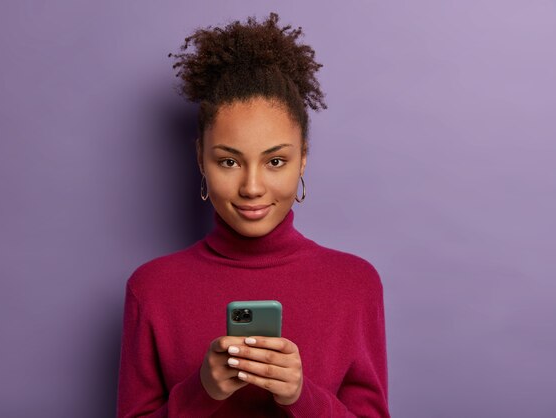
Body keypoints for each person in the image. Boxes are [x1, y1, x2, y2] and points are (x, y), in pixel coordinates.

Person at [117, 12, 390, 417]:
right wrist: (201, 391)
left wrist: (300, 395)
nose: (252, 187)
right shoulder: (151, 289)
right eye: (229, 162)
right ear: (200, 159)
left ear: (303, 161)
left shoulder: (355, 284)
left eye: (276, 161)